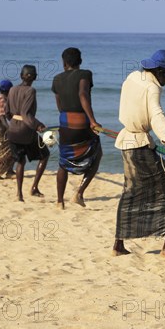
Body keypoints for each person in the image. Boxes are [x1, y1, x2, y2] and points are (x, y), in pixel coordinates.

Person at [112, 50, 165, 257]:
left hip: (127, 143)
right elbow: (156, 115)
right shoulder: (152, 87)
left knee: (131, 191)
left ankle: (118, 246)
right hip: (138, 147)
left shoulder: (133, 77)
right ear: (162, 71)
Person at [51, 47, 103, 209]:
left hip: (65, 122)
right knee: (97, 153)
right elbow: (82, 94)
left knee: (63, 162)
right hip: (81, 122)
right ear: (80, 61)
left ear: (64, 63)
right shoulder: (84, 74)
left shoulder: (57, 79)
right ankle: (79, 193)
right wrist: (92, 121)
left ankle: (60, 201)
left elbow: (59, 104)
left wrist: (67, 119)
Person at [7, 65, 49, 202]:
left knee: (20, 162)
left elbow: (7, 112)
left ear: (21, 75)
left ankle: (19, 194)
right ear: (35, 77)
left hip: (12, 129)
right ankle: (34, 187)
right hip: (26, 130)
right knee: (45, 155)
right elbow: (26, 114)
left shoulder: (12, 89)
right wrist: (38, 125)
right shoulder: (31, 90)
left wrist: (14, 122)